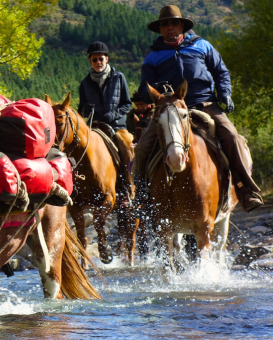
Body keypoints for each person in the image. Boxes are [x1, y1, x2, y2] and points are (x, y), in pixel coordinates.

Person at [135, 5, 263, 212]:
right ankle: (142, 198)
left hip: (205, 103)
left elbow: (221, 71)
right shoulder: (152, 58)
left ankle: (246, 190)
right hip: (170, 109)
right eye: (165, 24)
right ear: (159, 29)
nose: (170, 27)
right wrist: (155, 90)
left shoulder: (202, 46)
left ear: (182, 25)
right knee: (141, 148)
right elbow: (143, 90)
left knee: (232, 137)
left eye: (174, 22)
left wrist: (225, 92)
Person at [78, 41, 135, 205]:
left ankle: (129, 189)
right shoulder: (85, 83)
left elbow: (127, 104)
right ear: (90, 61)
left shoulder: (119, 77)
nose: (98, 63)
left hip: (117, 127)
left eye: (101, 59)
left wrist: (114, 115)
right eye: (94, 60)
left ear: (107, 59)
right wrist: (86, 112)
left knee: (127, 151)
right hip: (95, 126)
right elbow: (82, 108)